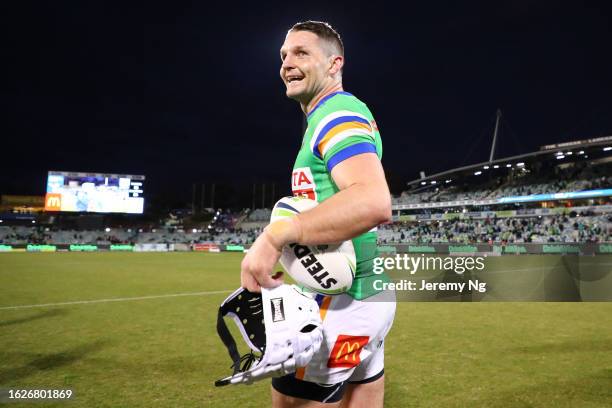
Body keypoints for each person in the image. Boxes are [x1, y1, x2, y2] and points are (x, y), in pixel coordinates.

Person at [240, 21, 396, 407]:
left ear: (334, 64)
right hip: (367, 299)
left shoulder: (336, 113)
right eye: (283, 56)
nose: (287, 62)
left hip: (339, 305)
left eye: (301, 52)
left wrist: (275, 236)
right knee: (362, 394)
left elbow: (373, 201)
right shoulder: (332, 115)